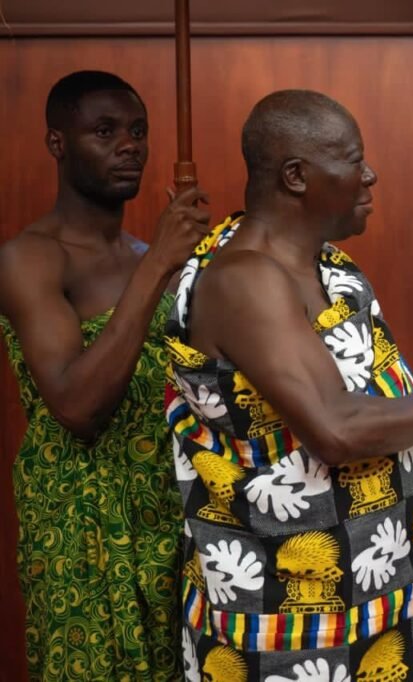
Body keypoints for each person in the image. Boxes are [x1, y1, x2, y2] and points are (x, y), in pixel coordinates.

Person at [166, 89, 413, 681]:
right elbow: (334, 428)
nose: (370, 175)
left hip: (399, 611)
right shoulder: (241, 279)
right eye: (354, 159)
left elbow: (359, 409)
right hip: (292, 632)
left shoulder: (333, 268)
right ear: (297, 177)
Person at [0, 70, 210, 680]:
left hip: (170, 514)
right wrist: (162, 269)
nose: (130, 146)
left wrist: (189, 267)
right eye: (104, 130)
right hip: (80, 529)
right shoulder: (29, 259)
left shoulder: (154, 256)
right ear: (57, 142)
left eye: (139, 132)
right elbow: (77, 405)